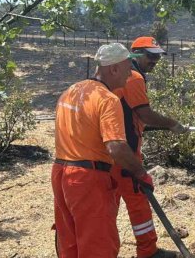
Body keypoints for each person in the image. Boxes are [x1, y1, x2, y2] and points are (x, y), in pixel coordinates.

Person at [51, 43, 155, 258]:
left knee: (69, 241)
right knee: (98, 246)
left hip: (61, 173)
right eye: (127, 71)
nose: (129, 77)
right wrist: (140, 173)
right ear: (114, 69)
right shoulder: (107, 100)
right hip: (88, 178)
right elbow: (116, 147)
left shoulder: (71, 91)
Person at [111, 36, 188, 258]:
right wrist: (172, 124)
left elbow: (128, 113)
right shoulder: (133, 78)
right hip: (125, 152)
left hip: (109, 150)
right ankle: (148, 252)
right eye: (150, 55)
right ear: (134, 54)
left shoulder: (120, 77)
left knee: (109, 203)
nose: (155, 60)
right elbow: (144, 113)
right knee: (138, 202)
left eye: (157, 56)